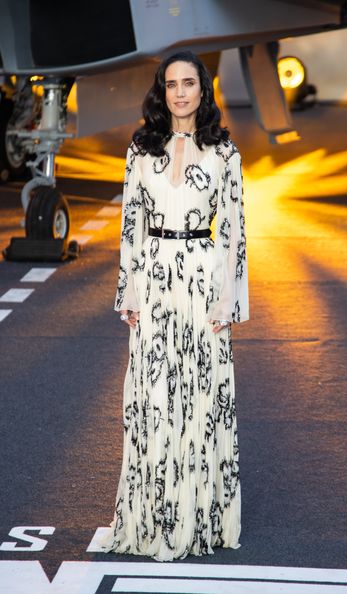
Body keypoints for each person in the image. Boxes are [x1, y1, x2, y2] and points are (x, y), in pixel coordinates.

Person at [100, 50, 249, 562]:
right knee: (153, 398)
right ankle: (152, 516)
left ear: (203, 90)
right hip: (156, 280)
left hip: (202, 283)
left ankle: (199, 519)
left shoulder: (224, 151)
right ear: (161, 92)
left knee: (202, 399)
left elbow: (232, 233)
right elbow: (131, 228)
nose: (180, 92)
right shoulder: (140, 150)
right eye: (171, 84)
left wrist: (227, 299)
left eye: (189, 83)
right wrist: (130, 291)